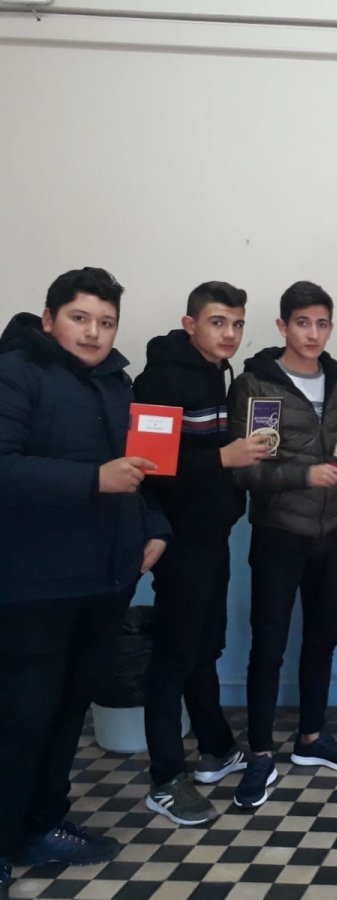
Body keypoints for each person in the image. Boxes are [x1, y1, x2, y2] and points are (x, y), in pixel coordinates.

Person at [0, 268, 170, 889]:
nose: (94, 332)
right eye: (80, 318)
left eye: (106, 322)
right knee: (20, 717)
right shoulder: (15, 373)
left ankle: (42, 824)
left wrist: (156, 528)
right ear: (49, 319)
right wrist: (92, 480)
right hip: (35, 583)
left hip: (104, 580)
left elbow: (140, 470)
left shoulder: (116, 383)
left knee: (69, 710)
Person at [228, 281, 337, 809]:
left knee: (322, 635)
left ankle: (312, 737)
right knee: (269, 644)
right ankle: (259, 754)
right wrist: (304, 475)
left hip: (332, 532)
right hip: (279, 532)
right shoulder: (257, 384)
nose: (313, 334)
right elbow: (247, 471)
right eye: (302, 323)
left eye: (321, 324)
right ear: (283, 326)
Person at [135, 282, 273, 826]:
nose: (230, 334)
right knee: (174, 654)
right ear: (190, 324)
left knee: (204, 645)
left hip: (212, 534)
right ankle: (166, 779)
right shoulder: (160, 380)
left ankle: (215, 747)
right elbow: (148, 466)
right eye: (218, 322)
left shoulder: (219, 373)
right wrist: (223, 458)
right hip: (179, 537)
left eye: (237, 324)